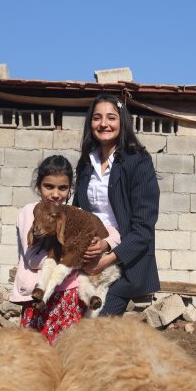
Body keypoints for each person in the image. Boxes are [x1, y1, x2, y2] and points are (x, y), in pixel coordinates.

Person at [10, 154, 120, 343]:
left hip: (69, 296)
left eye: (63, 188)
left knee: (68, 352)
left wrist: (104, 244)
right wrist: (72, 259)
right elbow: (33, 259)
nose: (55, 194)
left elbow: (114, 233)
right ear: (38, 186)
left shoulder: (73, 214)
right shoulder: (31, 211)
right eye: (49, 186)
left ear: (70, 189)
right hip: (39, 297)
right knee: (35, 353)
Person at [73, 94, 161, 316]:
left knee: (98, 329)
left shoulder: (138, 161)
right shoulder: (85, 164)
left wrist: (105, 258)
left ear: (122, 121)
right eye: (97, 118)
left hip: (124, 265)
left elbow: (143, 229)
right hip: (87, 258)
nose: (104, 124)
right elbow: (77, 214)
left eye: (111, 117)